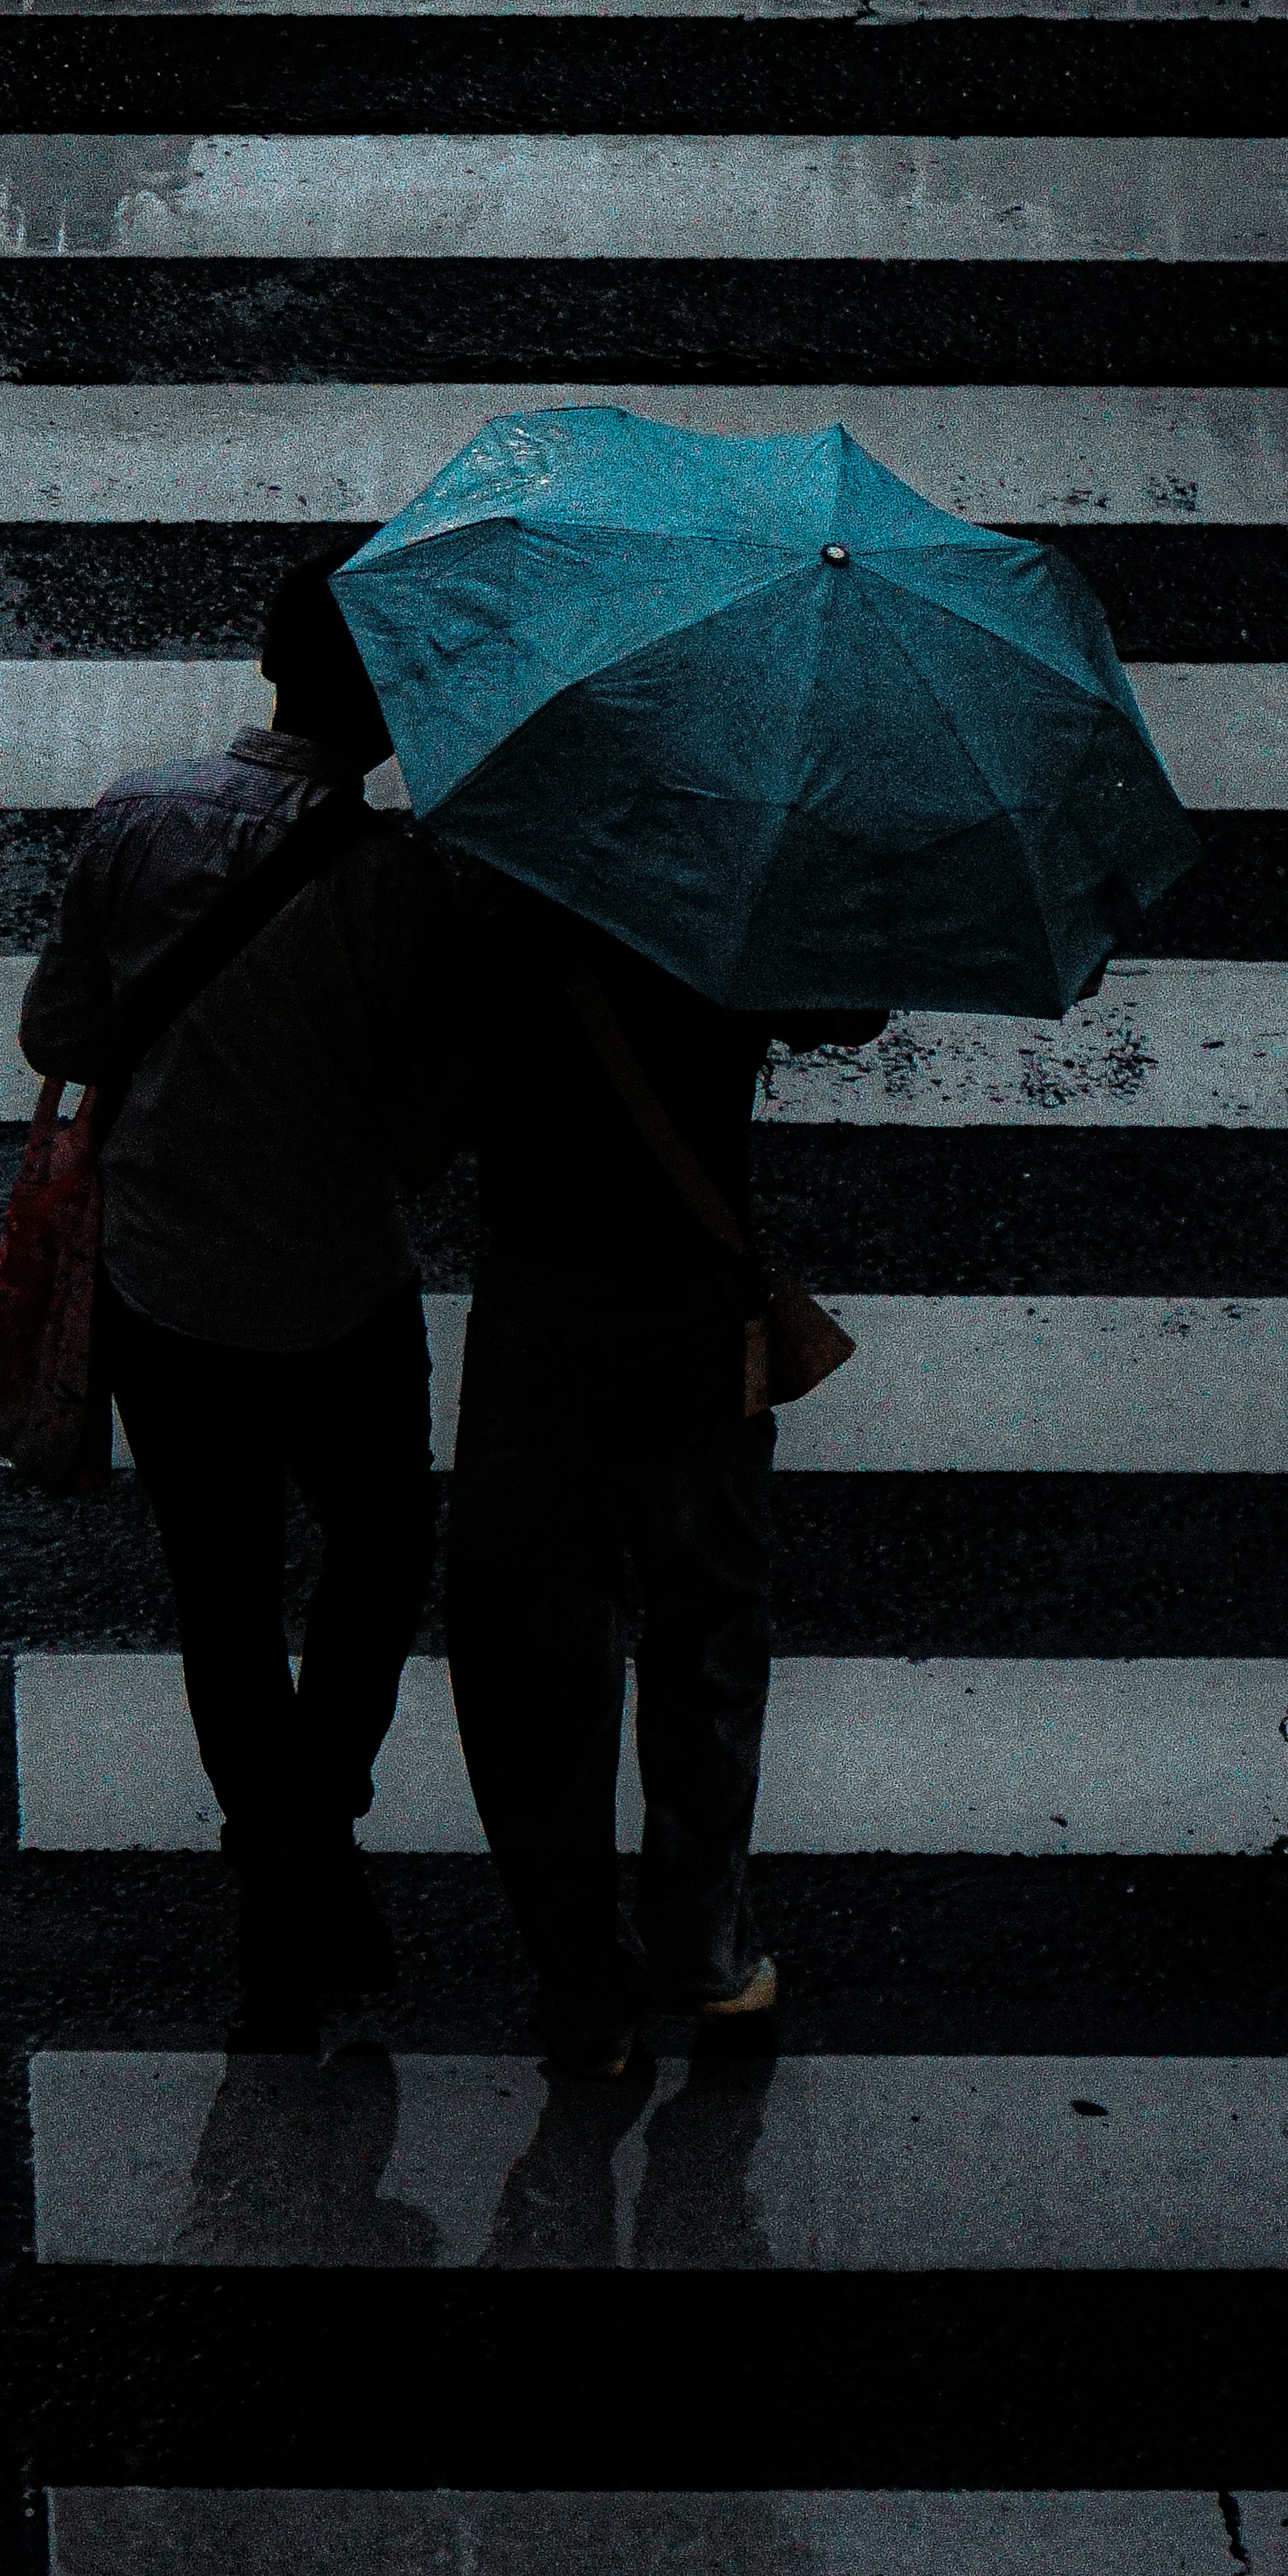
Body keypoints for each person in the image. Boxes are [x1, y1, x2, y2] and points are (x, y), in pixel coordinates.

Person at [16, 552, 462, 2029]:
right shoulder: (407, 888)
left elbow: (63, 1026)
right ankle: (306, 1831)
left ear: (274, 663)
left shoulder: (139, 817)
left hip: (164, 1285)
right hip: (337, 1293)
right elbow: (418, 1136)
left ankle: (284, 1858)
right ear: (391, 704)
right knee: (382, 1543)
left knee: (222, 1589)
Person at [443, 873, 884, 2080]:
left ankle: (582, 1978)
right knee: (705, 1629)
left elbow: (417, 1100)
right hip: (692, 1316)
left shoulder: (495, 882)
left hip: (537, 1320)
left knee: (539, 1656)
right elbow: (849, 1009)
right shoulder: (724, 878)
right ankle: (701, 1941)